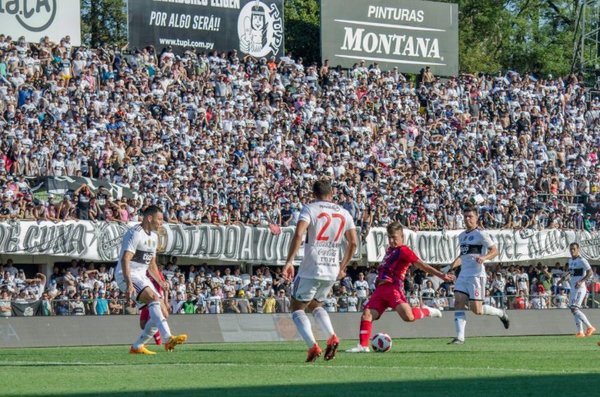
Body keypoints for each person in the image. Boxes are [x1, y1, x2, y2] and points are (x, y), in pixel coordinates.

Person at [347, 222, 455, 352]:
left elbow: (421, 265)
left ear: (402, 236)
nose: (392, 240)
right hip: (380, 291)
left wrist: (441, 275)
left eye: (394, 237)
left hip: (394, 289)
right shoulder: (390, 250)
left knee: (408, 317)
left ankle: (427, 311)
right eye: (389, 237)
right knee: (367, 314)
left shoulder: (404, 250)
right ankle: (363, 346)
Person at [282, 179, 358, 362]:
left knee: (296, 307)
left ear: (314, 194)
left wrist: (289, 261)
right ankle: (331, 335)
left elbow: (299, 234)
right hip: (331, 268)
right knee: (316, 304)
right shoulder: (345, 212)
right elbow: (353, 243)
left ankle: (312, 346)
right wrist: (342, 267)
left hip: (311, 266)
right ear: (331, 193)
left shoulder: (310, 209)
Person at [115, 205, 187, 355]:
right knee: (154, 299)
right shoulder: (135, 233)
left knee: (163, 312)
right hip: (126, 274)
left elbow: (151, 264)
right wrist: (128, 283)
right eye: (159, 219)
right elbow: (125, 259)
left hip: (142, 276)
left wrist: (160, 282)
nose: (161, 222)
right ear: (149, 218)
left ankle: (137, 346)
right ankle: (168, 338)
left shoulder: (154, 237)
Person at [446, 205, 510, 345]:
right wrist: (451, 266)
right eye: (465, 216)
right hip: (463, 275)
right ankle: (460, 337)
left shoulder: (481, 234)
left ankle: (501, 313)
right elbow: (463, 256)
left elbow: (494, 251)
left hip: (476, 275)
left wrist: (484, 258)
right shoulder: (462, 236)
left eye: (470, 216)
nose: (467, 219)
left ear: (476, 218)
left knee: (477, 310)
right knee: (458, 302)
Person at [562, 243, 596, 337]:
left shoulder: (582, 260)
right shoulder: (570, 260)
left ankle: (590, 327)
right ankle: (580, 332)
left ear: (578, 249)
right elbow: (571, 271)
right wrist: (564, 278)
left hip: (580, 288)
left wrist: (581, 281)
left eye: (574, 249)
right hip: (573, 288)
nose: (572, 251)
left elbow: (590, 272)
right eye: (571, 249)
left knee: (575, 308)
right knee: (573, 310)